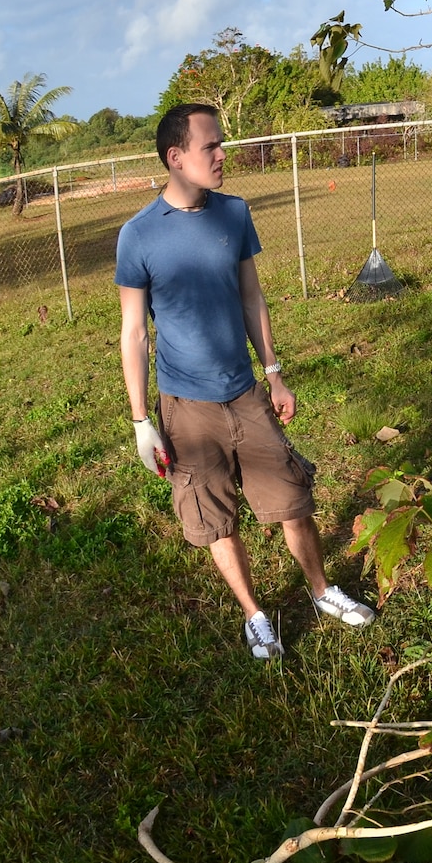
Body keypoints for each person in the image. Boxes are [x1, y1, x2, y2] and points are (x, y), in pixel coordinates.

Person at [117, 102, 376, 659]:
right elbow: (134, 332)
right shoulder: (137, 236)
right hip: (185, 407)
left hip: (245, 393)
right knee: (214, 517)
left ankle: (322, 590)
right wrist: (142, 421)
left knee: (291, 499)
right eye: (210, 146)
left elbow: (251, 297)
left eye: (220, 144)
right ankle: (255, 616)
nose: (222, 155)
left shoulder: (234, 214)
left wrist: (274, 375)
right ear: (176, 157)